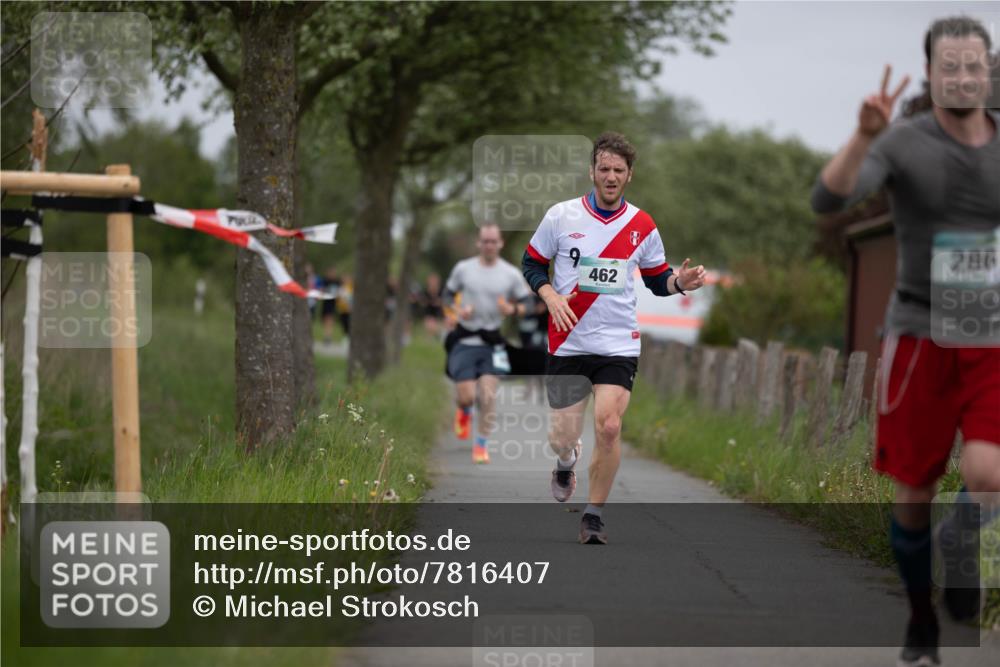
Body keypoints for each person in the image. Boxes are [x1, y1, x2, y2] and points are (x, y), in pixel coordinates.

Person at [811, 16, 1000, 666]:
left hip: (987, 328)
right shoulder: (904, 142)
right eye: (951, 66)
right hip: (919, 331)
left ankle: (964, 536)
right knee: (913, 491)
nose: (964, 76)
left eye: (975, 65)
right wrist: (863, 139)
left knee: (989, 473)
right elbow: (828, 196)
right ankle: (921, 615)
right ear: (931, 73)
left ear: (989, 68)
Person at [521, 131, 706, 544]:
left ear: (629, 176)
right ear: (592, 171)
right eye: (603, 168)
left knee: (608, 426)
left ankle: (593, 515)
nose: (610, 176)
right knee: (561, 436)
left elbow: (658, 280)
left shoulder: (642, 225)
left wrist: (682, 282)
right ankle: (567, 461)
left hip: (618, 342)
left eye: (618, 170)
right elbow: (531, 263)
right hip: (568, 338)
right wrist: (549, 294)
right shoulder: (561, 216)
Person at [443, 223, 533, 464]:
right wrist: (458, 310)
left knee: (488, 394)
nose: (489, 245)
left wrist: (512, 309)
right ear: (478, 243)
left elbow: (530, 304)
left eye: (494, 241)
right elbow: (447, 295)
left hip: (493, 343)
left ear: (500, 243)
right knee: (466, 396)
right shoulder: (464, 269)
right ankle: (463, 409)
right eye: (485, 241)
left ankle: (481, 446)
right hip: (466, 339)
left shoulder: (510, 273)